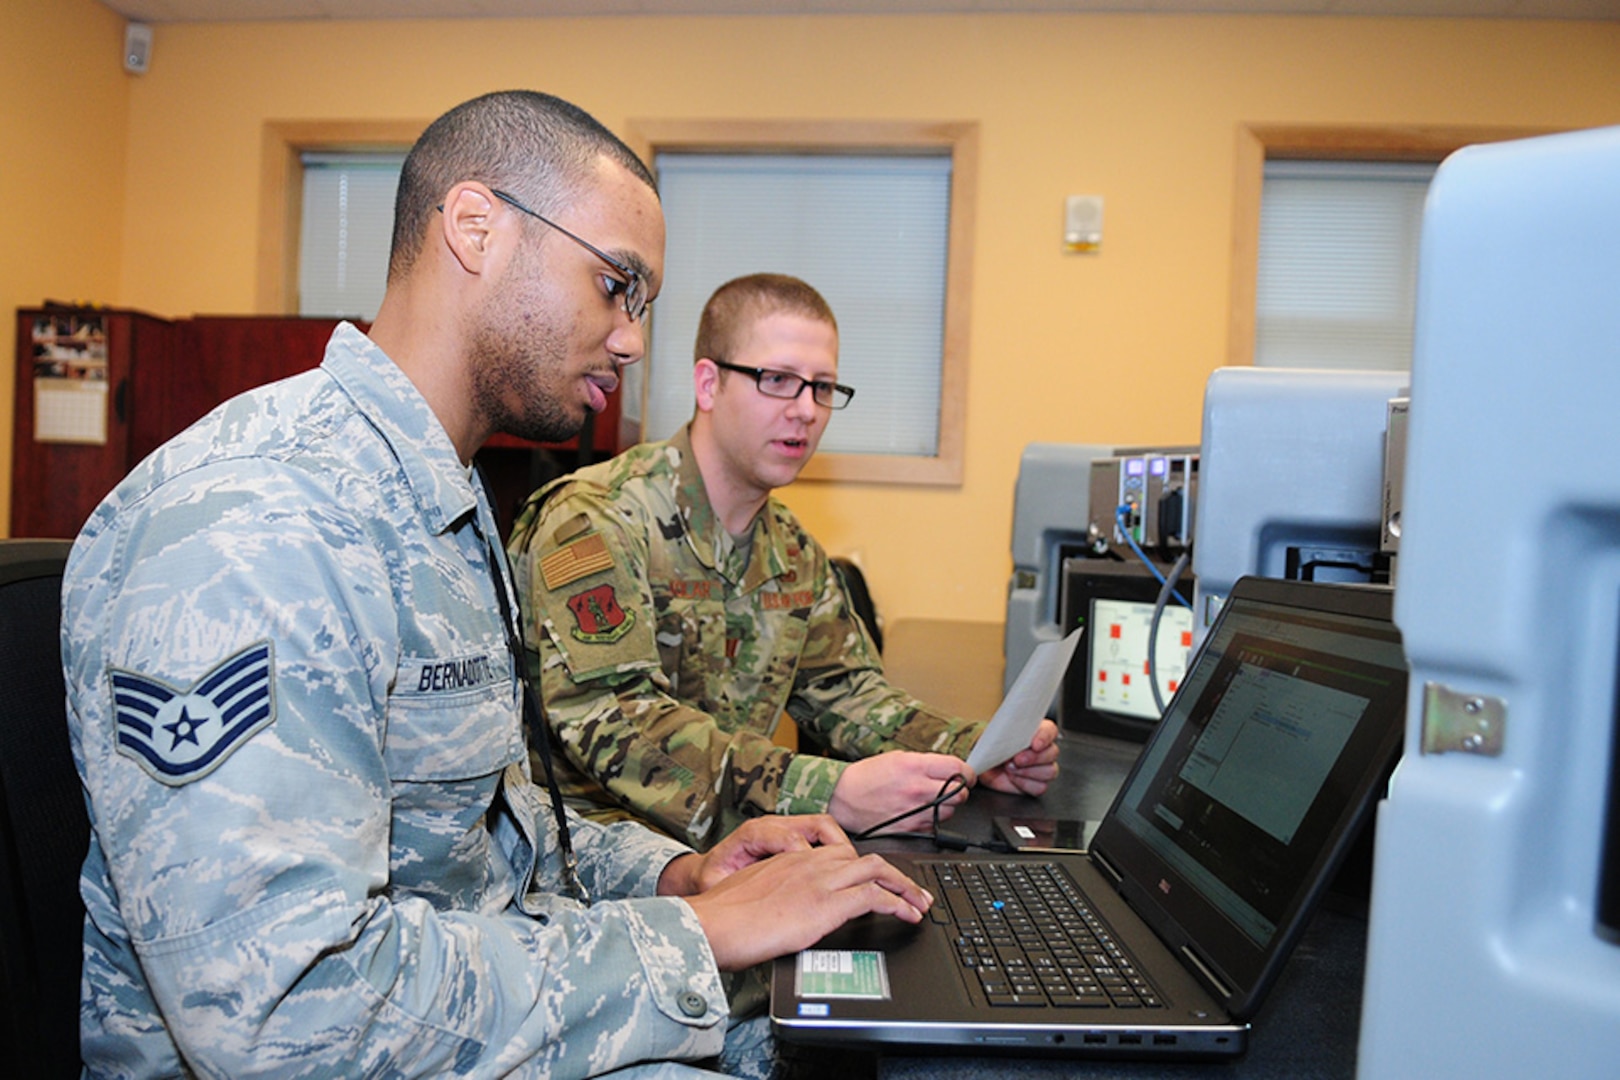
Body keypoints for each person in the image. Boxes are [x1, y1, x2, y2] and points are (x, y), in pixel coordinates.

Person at [62, 91, 932, 1079]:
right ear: (475, 228)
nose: (635, 339)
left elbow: (491, 855)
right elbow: (287, 1016)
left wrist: (681, 873)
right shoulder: (259, 523)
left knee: (889, 1037)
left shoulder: (442, 501)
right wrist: (693, 939)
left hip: (471, 1012)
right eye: (616, 285)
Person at [507, 273, 1060, 853]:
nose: (806, 410)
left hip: (738, 859)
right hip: (592, 870)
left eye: (823, 387)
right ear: (708, 385)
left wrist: (971, 753)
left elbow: (848, 693)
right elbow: (616, 720)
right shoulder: (595, 520)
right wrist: (826, 790)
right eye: (778, 380)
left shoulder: (790, 548)